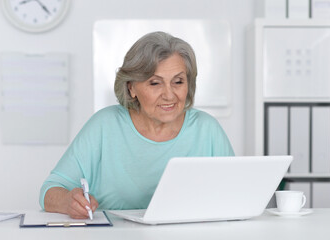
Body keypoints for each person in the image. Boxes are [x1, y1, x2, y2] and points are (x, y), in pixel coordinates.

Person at [39, 31, 234, 219]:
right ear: (131, 87)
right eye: (155, 83)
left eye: (178, 81)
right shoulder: (104, 126)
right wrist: (68, 201)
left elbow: (236, 193)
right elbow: (49, 191)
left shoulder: (207, 129)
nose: (169, 94)